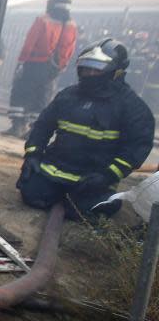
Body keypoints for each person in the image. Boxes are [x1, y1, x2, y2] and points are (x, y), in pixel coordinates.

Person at [17, 38, 155, 219]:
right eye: (86, 68)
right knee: (31, 193)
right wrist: (33, 155)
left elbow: (137, 147)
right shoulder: (68, 96)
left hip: (94, 177)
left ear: (116, 71)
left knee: (89, 212)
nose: (89, 74)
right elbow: (42, 126)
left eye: (96, 69)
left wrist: (107, 176)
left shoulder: (132, 107)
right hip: (56, 169)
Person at [3, 0, 78, 138]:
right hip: (54, 68)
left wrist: (21, 61)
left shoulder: (42, 20)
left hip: (34, 63)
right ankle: (33, 131)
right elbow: (70, 48)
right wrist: (61, 66)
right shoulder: (72, 26)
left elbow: (30, 42)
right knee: (42, 97)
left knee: (22, 92)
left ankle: (18, 126)